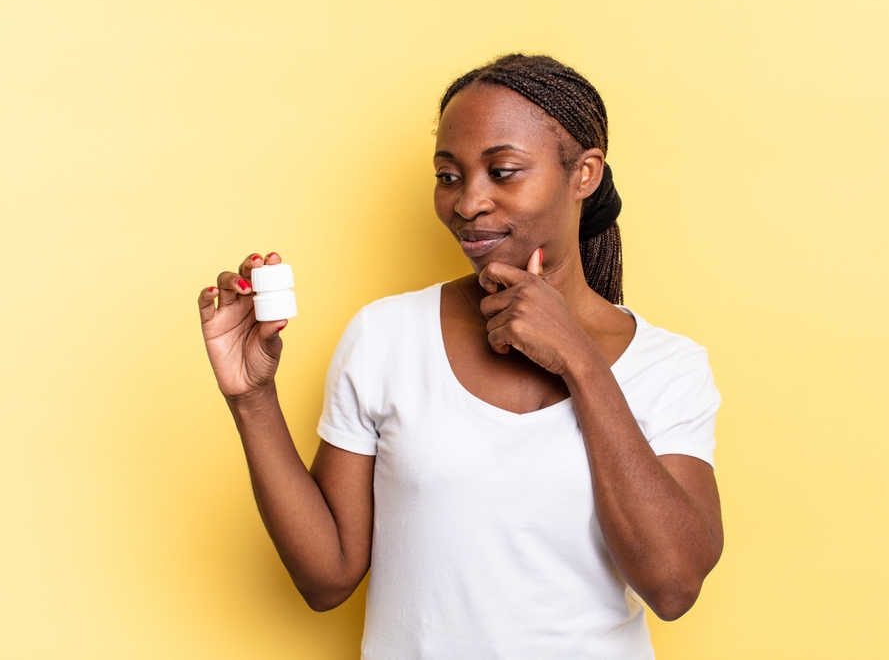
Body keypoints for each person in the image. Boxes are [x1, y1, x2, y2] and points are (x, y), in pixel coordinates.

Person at [198, 54, 723, 659]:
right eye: (449, 176)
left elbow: (674, 585)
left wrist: (579, 359)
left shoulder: (668, 366)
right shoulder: (387, 336)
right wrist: (252, 398)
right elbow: (328, 578)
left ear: (585, 174)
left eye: (503, 171)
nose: (468, 202)